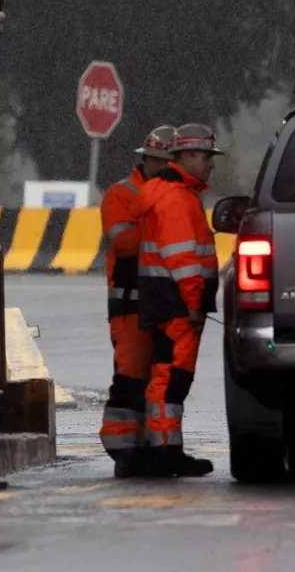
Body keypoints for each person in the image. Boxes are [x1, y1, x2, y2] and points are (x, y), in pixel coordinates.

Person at [135, 123, 225, 478]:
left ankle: (168, 450)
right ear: (186, 156)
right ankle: (165, 453)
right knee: (171, 380)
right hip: (177, 306)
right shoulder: (175, 198)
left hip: (172, 304)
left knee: (171, 379)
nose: (211, 165)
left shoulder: (176, 194)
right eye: (205, 157)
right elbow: (182, 259)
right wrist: (193, 303)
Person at [100, 124, 177, 475]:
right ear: (144, 160)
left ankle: (154, 449)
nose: (159, 166)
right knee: (131, 377)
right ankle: (124, 452)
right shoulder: (121, 194)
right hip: (130, 304)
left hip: (164, 301)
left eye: (165, 161)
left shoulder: (177, 195)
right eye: (155, 160)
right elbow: (125, 243)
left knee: (161, 379)